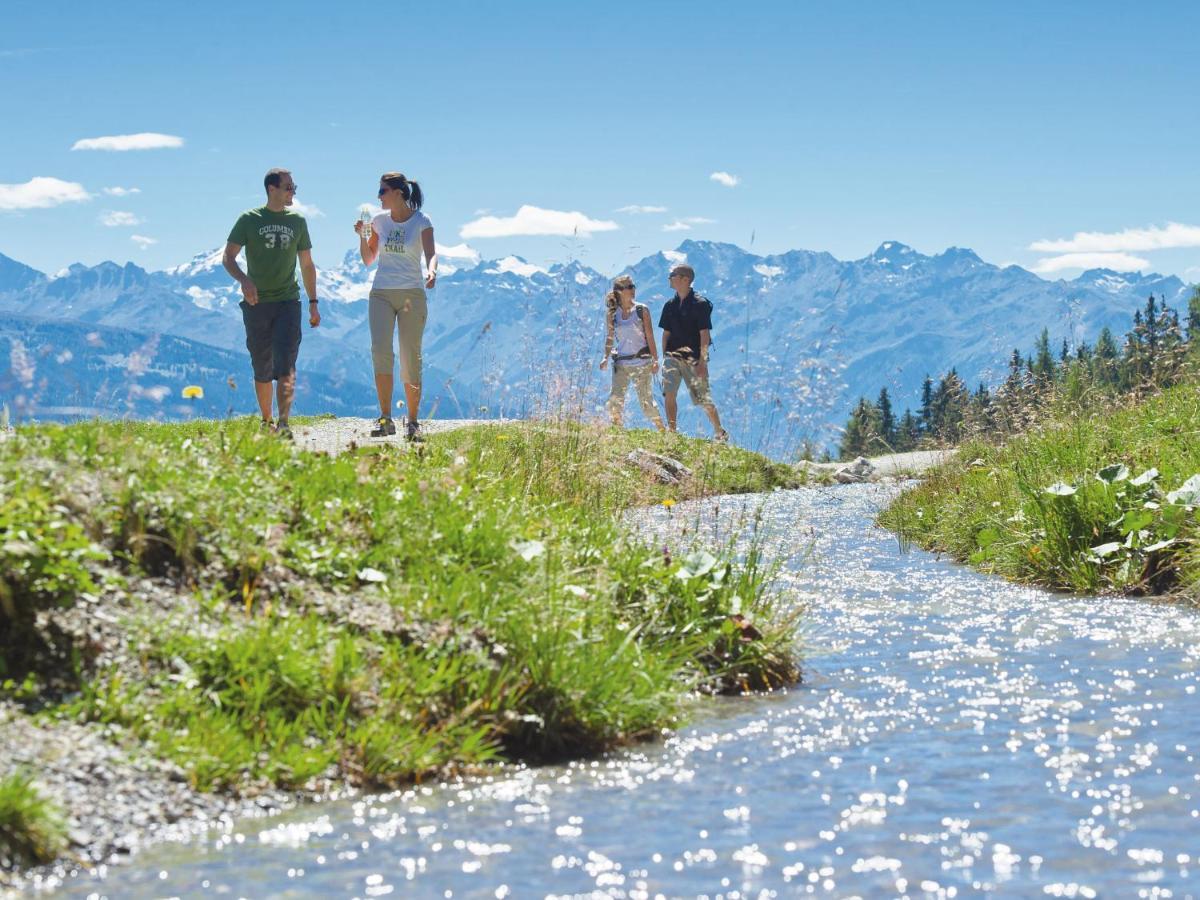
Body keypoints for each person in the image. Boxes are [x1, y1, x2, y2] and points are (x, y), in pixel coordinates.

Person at [222, 168, 320, 439]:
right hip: (257, 303)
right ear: (272, 189)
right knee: (262, 364)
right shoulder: (249, 220)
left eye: (293, 187)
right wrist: (244, 280)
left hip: (289, 301)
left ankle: (284, 423)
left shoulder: (298, 221)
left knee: (287, 363)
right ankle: (267, 422)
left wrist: (313, 302)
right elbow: (228, 257)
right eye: (289, 187)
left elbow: (307, 264)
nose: (293, 192)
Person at [354, 172, 437, 441]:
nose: (378, 196)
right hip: (381, 293)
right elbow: (369, 259)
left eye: (383, 191)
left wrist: (432, 271)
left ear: (399, 193)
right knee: (380, 351)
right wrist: (361, 236)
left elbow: (431, 253)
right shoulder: (378, 221)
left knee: (410, 355)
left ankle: (412, 423)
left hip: (412, 293)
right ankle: (386, 418)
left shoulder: (421, 221)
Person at [659, 264, 728, 441]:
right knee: (669, 394)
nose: (670, 277)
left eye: (673, 275)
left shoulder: (700, 304)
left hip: (694, 359)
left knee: (703, 398)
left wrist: (703, 362)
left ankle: (719, 431)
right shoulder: (669, 305)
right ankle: (672, 432)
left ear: (685, 279)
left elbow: (704, 334)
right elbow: (666, 333)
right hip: (672, 357)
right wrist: (665, 356)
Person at [599, 275, 665, 431]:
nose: (633, 289)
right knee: (615, 400)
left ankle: (662, 430)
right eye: (629, 287)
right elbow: (609, 337)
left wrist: (655, 360)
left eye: (633, 286)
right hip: (621, 364)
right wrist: (605, 357)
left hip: (642, 363)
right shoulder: (612, 314)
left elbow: (650, 336)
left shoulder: (642, 310)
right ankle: (617, 431)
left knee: (646, 403)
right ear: (620, 292)